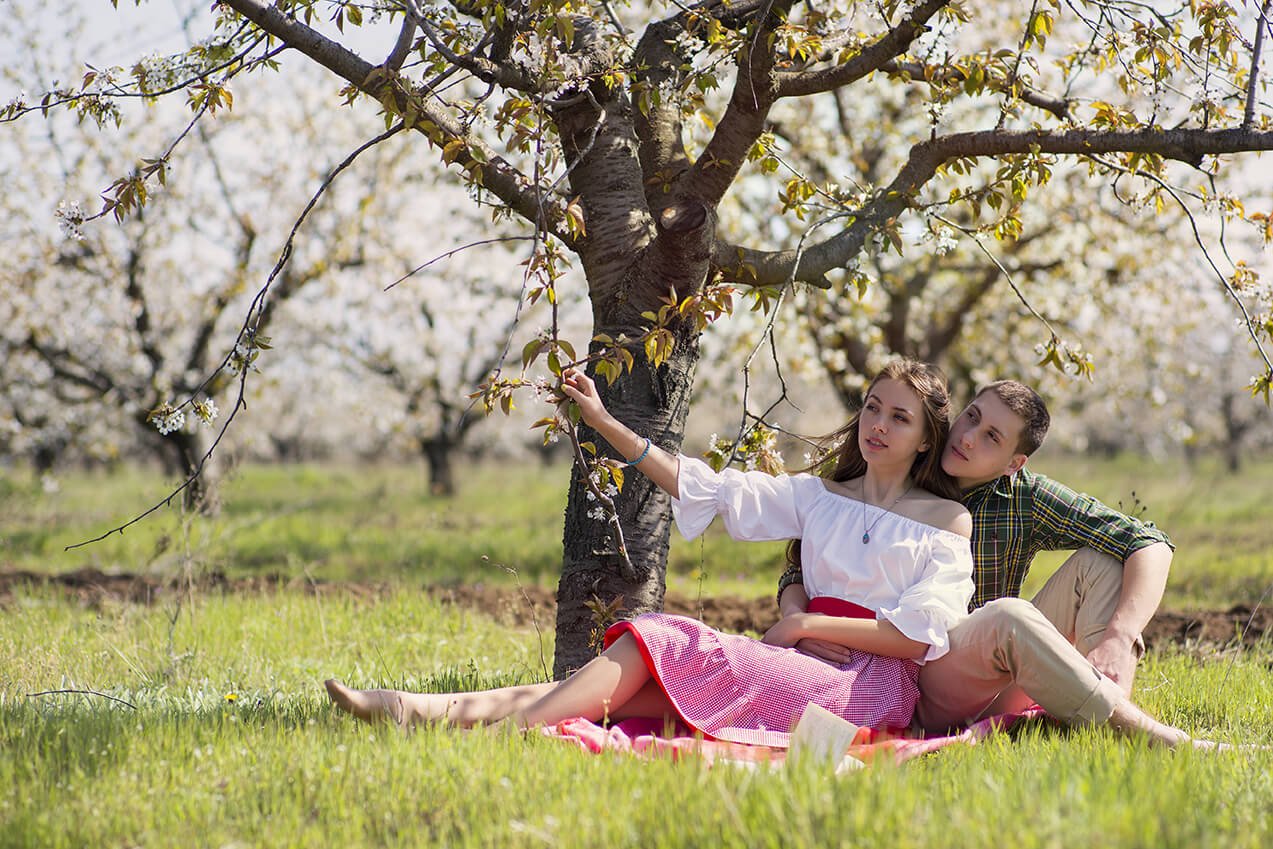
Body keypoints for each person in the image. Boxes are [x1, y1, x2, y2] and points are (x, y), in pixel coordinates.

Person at [326, 359, 977, 744]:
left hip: (862, 691)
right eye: (871, 407)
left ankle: (501, 739)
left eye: (898, 417)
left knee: (659, 640)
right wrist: (606, 422)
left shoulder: (944, 519)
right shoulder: (819, 496)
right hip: (795, 664)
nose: (877, 424)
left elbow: (920, 636)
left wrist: (803, 620)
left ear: (925, 439)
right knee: (614, 692)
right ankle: (412, 708)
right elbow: (706, 487)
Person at [778, 379, 1203, 746]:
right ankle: (1144, 733)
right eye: (972, 417)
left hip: (987, 667)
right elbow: (801, 563)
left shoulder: (1024, 497)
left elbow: (1149, 541)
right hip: (905, 673)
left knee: (1104, 561)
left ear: (1013, 465)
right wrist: (800, 623)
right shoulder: (904, 456)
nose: (967, 437)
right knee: (1007, 617)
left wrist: (1119, 636)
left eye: (992, 438)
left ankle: (1114, 714)